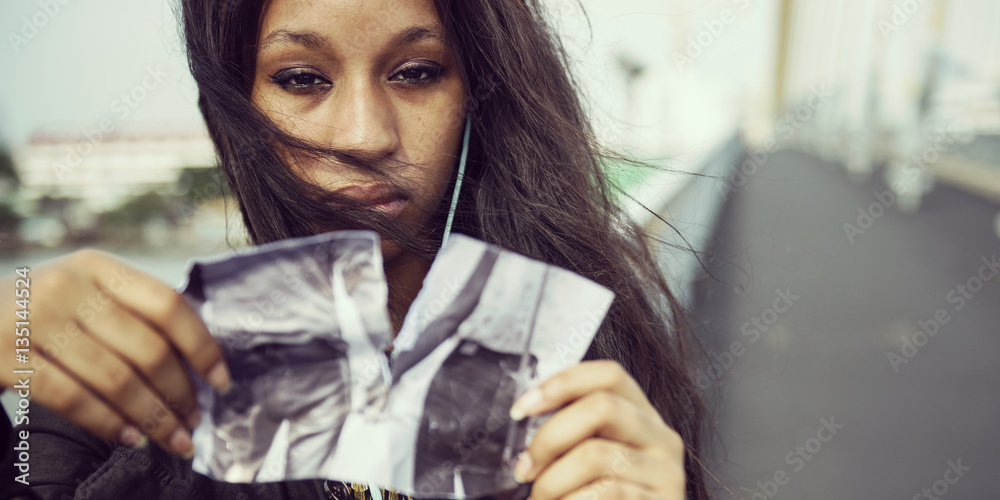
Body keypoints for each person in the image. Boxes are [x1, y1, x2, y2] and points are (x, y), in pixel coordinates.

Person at [0, 0, 709, 498]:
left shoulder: (591, 375)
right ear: (232, 111)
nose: (366, 135)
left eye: (416, 71)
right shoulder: (119, 385)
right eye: (301, 79)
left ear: (477, 97)